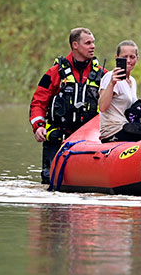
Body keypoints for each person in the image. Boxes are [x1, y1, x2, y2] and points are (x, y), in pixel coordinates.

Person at [29, 27, 106, 184]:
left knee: (88, 182)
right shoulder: (55, 72)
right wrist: (38, 126)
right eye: (88, 43)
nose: (93, 46)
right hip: (58, 137)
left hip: (89, 140)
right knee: (50, 179)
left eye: (93, 43)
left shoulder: (102, 74)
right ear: (75, 45)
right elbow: (38, 102)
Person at [98, 40, 141, 142]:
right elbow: (102, 107)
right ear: (117, 58)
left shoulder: (132, 81)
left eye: (132, 57)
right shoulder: (110, 76)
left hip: (127, 126)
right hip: (113, 130)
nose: (128, 60)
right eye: (124, 57)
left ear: (137, 58)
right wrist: (111, 84)